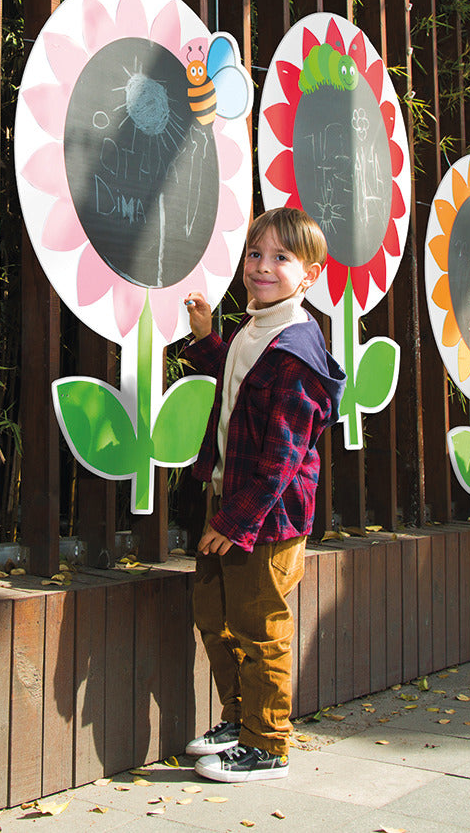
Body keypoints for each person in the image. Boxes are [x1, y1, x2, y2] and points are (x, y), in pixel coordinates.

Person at [180, 207, 345, 782]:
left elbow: (282, 458)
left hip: (265, 517)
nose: (262, 267)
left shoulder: (297, 349)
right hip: (231, 502)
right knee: (216, 617)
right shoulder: (258, 329)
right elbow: (237, 380)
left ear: (310, 275)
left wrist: (234, 521)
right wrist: (207, 341)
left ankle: (268, 744)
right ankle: (240, 722)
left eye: (281, 257)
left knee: (260, 628)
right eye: (255, 254)